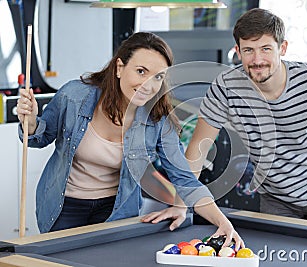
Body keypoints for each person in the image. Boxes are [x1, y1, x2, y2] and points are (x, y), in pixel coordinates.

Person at [142, 8, 307, 226]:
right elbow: (198, 150)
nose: (257, 59)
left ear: (283, 48)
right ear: (238, 52)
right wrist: (182, 204)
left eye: (266, 49)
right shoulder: (226, 88)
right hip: (276, 197)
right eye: (249, 50)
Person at [16, 32, 243, 248]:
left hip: (117, 210)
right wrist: (32, 122)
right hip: (63, 205)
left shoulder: (158, 119)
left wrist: (221, 221)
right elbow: (38, 138)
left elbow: (185, 179)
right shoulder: (74, 96)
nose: (148, 85)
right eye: (141, 71)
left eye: (158, 77)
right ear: (119, 67)